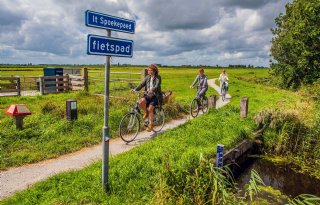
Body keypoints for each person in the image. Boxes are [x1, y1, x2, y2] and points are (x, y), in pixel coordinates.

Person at [134, 64, 162, 132]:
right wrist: (135, 89)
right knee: (140, 103)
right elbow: (142, 84)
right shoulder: (147, 77)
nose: (149, 71)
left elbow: (157, 86)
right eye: (148, 70)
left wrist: (152, 90)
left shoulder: (158, 77)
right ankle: (145, 112)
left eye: (151, 70)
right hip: (148, 95)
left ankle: (150, 124)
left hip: (155, 96)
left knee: (150, 109)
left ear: (154, 71)